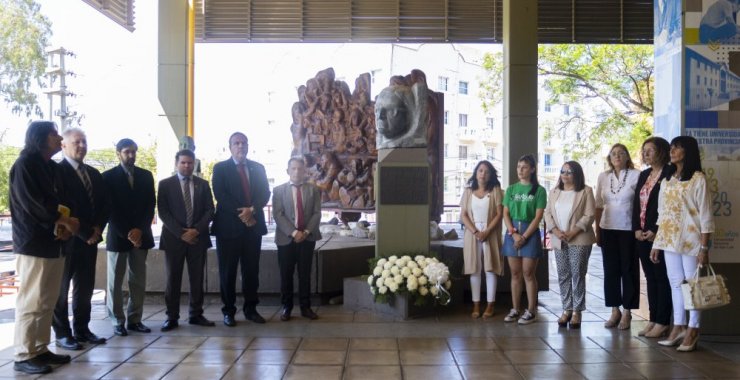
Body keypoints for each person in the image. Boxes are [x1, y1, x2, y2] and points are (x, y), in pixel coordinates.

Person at [10, 121, 80, 374]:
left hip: (55, 241)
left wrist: (66, 224)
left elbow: (64, 200)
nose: (59, 137)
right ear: (39, 137)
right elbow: (33, 204)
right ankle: (24, 353)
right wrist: (62, 221)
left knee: (48, 299)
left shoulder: (51, 167)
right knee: (32, 299)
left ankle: (39, 348)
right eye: (53, 134)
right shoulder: (24, 165)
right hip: (33, 243)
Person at [652, 136, 714, 352]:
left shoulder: (698, 179)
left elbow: (706, 216)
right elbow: (662, 213)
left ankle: (693, 328)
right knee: (675, 283)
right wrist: (656, 244)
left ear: (687, 151)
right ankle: (678, 326)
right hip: (669, 239)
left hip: (691, 240)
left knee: (692, 285)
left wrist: (704, 248)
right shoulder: (667, 178)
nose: (672, 151)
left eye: (677, 147)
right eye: (671, 147)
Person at [52, 128, 110, 351]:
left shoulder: (94, 174)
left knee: (85, 288)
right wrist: (85, 232)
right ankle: (62, 334)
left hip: (91, 240)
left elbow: (105, 205)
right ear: (64, 145)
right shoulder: (57, 172)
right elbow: (63, 206)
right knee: (61, 288)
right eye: (76, 142)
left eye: (84, 142)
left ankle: (82, 329)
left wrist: (97, 229)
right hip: (68, 239)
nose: (82, 146)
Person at [211, 132, 271, 326]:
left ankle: (251, 309)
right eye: (236, 143)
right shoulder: (220, 169)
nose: (241, 146)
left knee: (251, 271)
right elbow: (221, 195)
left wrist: (252, 210)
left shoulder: (258, 168)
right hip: (228, 229)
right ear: (230, 147)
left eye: (244, 143)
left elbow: (265, 192)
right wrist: (244, 214)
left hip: (252, 228)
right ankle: (228, 311)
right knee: (228, 272)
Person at [102, 138, 156, 336]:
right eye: (127, 152)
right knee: (114, 282)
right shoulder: (107, 177)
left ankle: (135, 319)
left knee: (138, 280)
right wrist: (128, 233)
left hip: (141, 236)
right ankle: (117, 320)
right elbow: (109, 210)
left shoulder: (146, 176)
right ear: (118, 153)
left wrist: (140, 230)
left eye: (134, 151)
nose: (131, 155)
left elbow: (150, 205)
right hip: (118, 236)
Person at [157, 150, 215, 332]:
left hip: (198, 238)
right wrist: (181, 233)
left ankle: (195, 314)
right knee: (172, 279)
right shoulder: (165, 184)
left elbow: (210, 210)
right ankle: (171, 317)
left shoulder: (203, 185)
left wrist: (196, 230)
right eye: (183, 163)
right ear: (176, 164)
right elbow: (163, 212)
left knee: (197, 278)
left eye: (190, 163)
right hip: (174, 239)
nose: (187, 166)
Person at [544, 161, 596, 329]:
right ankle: (567, 309)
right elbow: (548, 213)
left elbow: (590, 215)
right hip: (559, 238)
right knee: (563, 274)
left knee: (577, 274)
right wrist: (556, 231)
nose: (565, 174)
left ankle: (577, 311)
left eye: (569, 172)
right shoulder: (554, 192)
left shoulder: (586, 191)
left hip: (579, 238)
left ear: (577, 174)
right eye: (563, 171)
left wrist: (573, 231)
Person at [594, 143, 640, 330]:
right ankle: (615, 310)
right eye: (613, 154)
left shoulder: (637, 175)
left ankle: (628, 311)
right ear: (609, 158)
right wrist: (597, 230)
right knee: (610, 270)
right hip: (608, 228)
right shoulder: (603, 177)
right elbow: (598, 205)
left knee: (628, 269)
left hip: (629, 229)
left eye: (621, 153)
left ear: (627, 156)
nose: (617, 156)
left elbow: (640, 204)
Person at [272, 158, 323, 321]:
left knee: (305, 274)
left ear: (305, 171)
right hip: (286, 239)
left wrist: (306, 231)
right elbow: (278, 215)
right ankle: (287, 307)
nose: (297, 172)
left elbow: (316, 213)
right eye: (293, 169)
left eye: (300, 169)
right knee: (286, 274)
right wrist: (294, 233)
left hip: (307, 238)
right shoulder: (279, 191)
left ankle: (305, 307)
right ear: (287, 171)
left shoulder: (313, 189)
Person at [632, 137, 672, 338]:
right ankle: (653, 318)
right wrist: (636, 229)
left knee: (661, 278)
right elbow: (637, 204)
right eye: (644, 150)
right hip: (641, 235)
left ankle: (663, 321)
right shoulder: (645, 174)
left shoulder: (670, 173)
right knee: (650, 277)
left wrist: (656, 230)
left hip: (660, 234)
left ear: (662, 152)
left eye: (651, 150)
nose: (646, 153)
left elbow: (668, 208)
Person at [502, 154, 547, 325]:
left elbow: (538, 217)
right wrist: (513, 233)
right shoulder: (511, 189)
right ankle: (515, 308)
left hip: (530, 232)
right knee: (515, 273)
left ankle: (531, 310)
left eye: (524, 167)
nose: (520, 170)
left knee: (528, 273)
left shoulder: (539, 190)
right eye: (518, 166)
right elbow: (505, 213)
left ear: (533, 169)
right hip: (512, 232)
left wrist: (524, 236)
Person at [459, 161, 504, 319]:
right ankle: (476, 304)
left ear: (491, 175)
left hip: (490, 232)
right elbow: (463, 215)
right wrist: (476, 231)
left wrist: (487, 231)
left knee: (490, 268)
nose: (483, 174)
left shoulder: (496, 190)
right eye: (480, 170)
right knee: (474, 268)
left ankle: (490, 304)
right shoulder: (468, 191)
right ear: (476, 173)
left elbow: (499, 214)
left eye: (486, 171)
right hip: (472, 233)